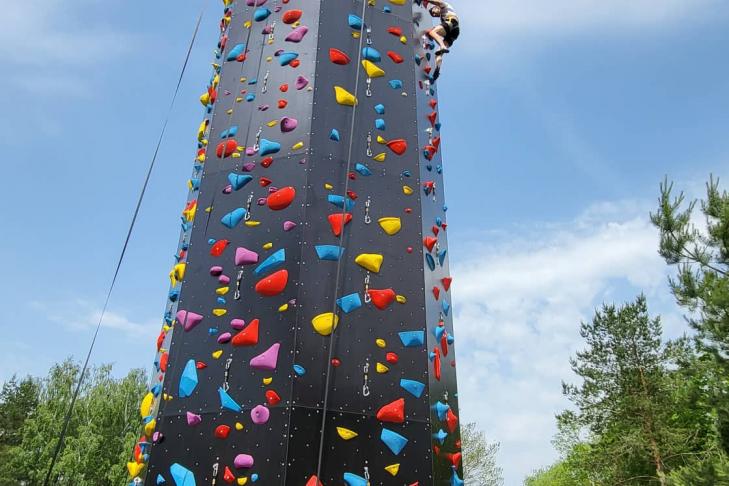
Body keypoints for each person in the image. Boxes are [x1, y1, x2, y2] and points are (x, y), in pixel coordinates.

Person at [425, 0, 459, 81]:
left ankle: (442, 46)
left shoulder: (445, 6)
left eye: (433, 12)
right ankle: (437, 70)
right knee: (438, 54)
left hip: (452, 21)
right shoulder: (443, 16)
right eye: (432, 15)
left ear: (436, 8)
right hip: (455, 32)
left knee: (432, 32)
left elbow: (438, 2)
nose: (434, 14)